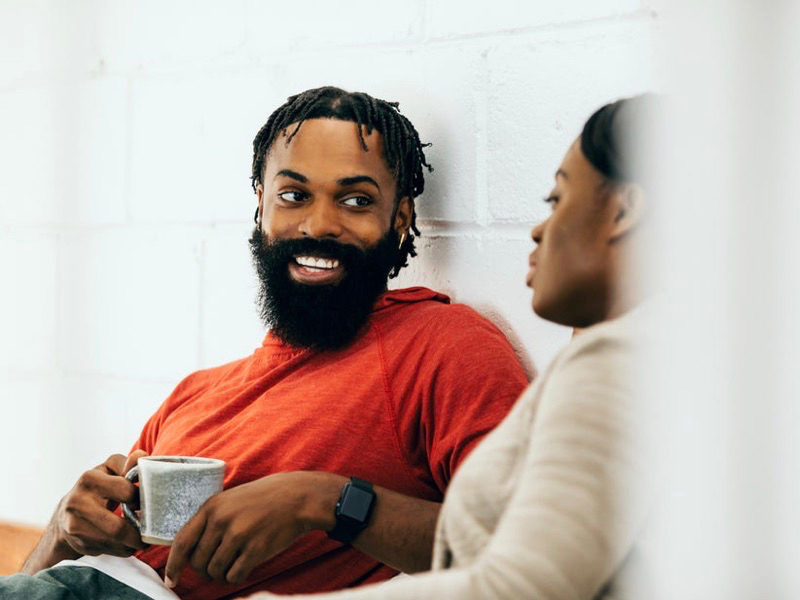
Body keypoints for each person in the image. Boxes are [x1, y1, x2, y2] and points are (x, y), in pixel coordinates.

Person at [6, 87, 529, 598]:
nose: (319, 224)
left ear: (400, 219)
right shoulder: (194, 395)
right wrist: (60, 533)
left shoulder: (443, 345)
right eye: (294, 195)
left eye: (355, 200)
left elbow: (528, 548)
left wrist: (322, 500)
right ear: (262, 205)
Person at [246, 94, 658, 599]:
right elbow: (490, 551)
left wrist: (323, 502)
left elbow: (520, 581)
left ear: (624, 212)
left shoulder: (619, 365)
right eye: (294, 195)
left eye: (557, 200)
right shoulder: (605, 362)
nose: (537, 228)